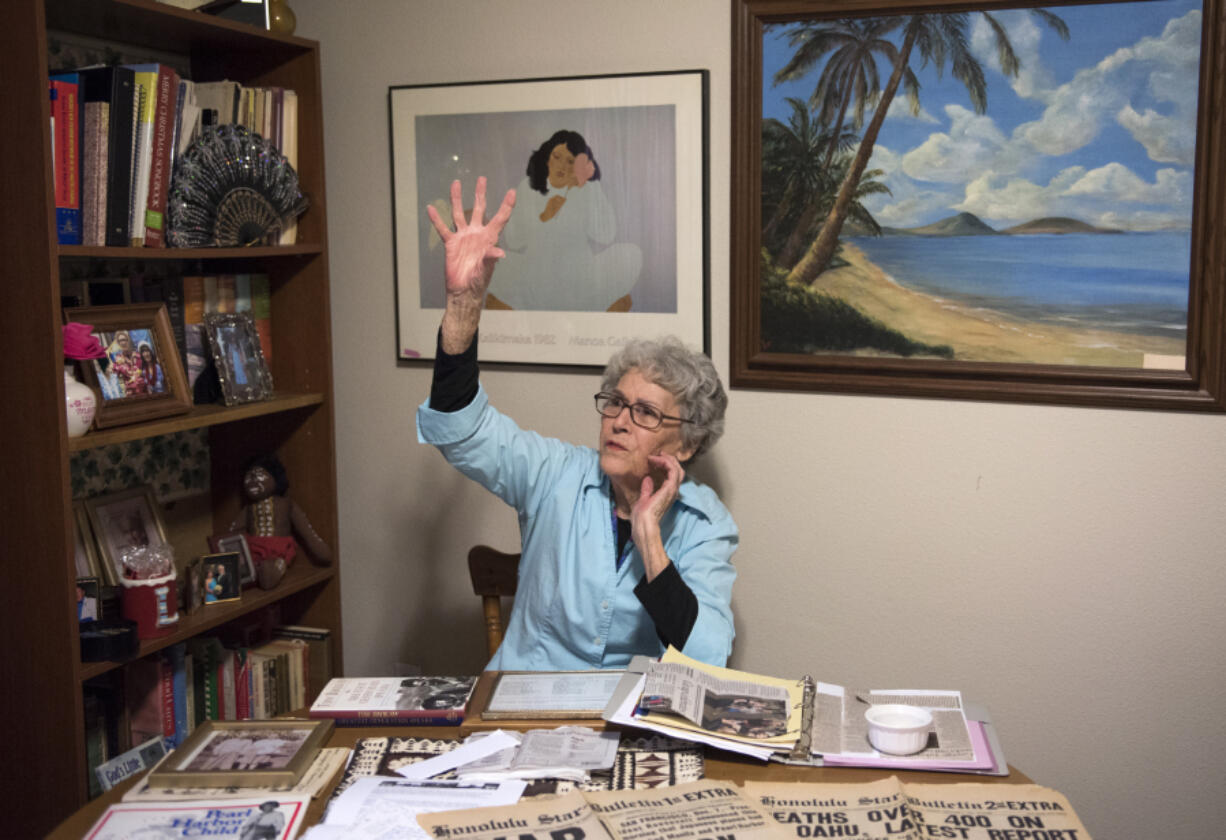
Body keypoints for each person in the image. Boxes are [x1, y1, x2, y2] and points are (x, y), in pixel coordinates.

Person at [418, 177, 736, 671]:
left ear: (688, 443)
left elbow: (707, 655)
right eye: (615, 401)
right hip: (523, 717)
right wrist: (464, 306)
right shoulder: (554, 474)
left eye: (646, 412)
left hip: (625, 728)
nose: (619, 421)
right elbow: (463, 431)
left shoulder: (704, 521)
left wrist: (648, 532)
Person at [488, 129, 642, 312]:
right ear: (547, 157)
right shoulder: (528, 187)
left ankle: (582, 302)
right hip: (535, 275)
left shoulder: (588, 189)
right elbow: (514, 240)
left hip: (579, 277)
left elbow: (606, 236)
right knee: (487, 261)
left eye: (570, 161)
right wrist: (544, 216)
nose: (561, 166)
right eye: (557, 157)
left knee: (631, 254)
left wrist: (591, 193)